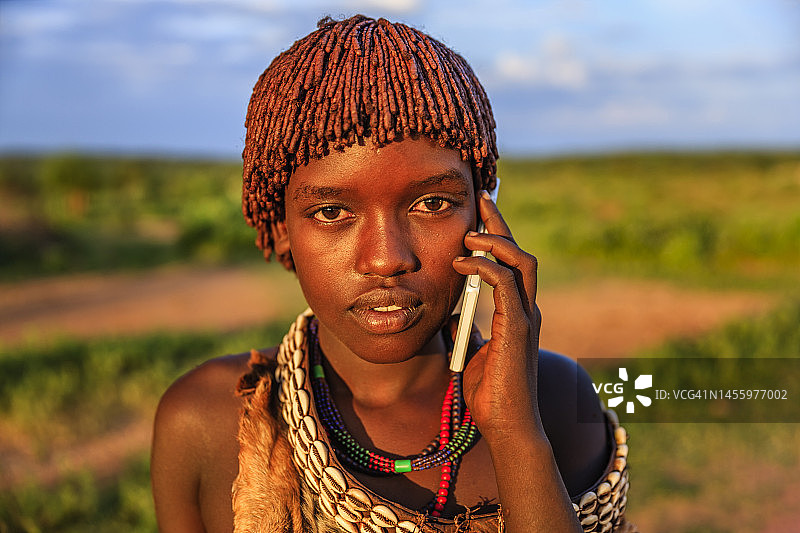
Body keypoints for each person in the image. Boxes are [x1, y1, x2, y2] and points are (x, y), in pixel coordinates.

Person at [151, 15, 635, 533]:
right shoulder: (206, 420)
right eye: (332, 212)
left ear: (483, 214)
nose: (385, 259)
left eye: (432, 203)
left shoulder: (556, 399)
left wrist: (516, 434)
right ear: (282, 224)